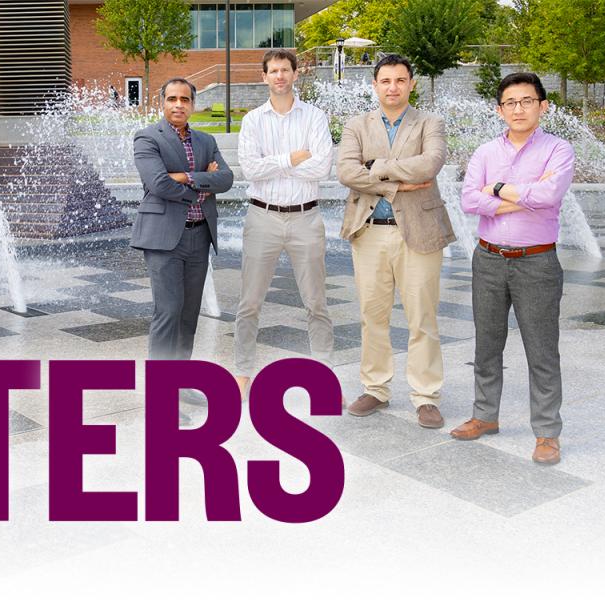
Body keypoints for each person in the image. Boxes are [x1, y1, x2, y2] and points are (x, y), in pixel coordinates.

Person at [454, 72, 575, 465]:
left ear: (543, 106)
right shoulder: (486, 152)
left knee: (542, 350)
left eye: (527, 101)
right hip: (488, 258)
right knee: (487, 345)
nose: (518, 109)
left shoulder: (559, 150)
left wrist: (499, 190)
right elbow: (469, 200)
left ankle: (546, 433)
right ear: (499, 109)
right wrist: (523, 196)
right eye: (510, 102)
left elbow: (550, 193)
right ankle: (485, 415)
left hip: (537, 262)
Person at [336, 54, 455, 429]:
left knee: (423, 318)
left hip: (418, 233)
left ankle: (426, 396)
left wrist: (379, 168)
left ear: (411, 83)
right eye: (385, 81)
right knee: (373, 317)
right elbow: (346, 171)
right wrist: (400, 182)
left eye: (400, 80)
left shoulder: (429, 123)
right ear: (375, 85)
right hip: (369, 231)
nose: (393, 87)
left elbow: (430, 163)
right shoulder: (357, 125)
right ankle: (376, 388)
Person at [234, 49, 335, 400]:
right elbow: (250, 169)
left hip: (306, 218)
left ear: (295, 74)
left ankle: (324, 375)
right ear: (264, 77)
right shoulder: (253, 121)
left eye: (285, 70)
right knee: (249, 302)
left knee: (316, 302)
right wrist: (293, 157)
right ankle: (244, 372)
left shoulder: (315, 117)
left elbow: (322, 168)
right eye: (273, 70)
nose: (279, 76)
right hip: (262, 217)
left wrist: (272, 163)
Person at [131, 77, 234, 363]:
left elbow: (225, 179)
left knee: (189, 313)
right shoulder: (148, 137)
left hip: (199, 236)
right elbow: (158, 184)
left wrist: (186, 177)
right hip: (163, 238)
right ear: (162, 102)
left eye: (185, 99)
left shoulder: (206, 140)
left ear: (193, 105)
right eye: (172, 99)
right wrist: (202, 184)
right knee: (169, 310)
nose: (178, 105)